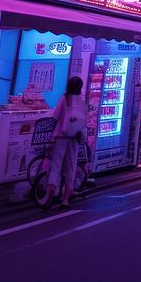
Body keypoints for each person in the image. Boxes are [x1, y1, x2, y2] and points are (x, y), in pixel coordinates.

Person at [46, 76, 87, 207]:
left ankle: (50, 192)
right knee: (71, 166)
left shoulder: (64, 99)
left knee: (56, 165)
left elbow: (56, 117)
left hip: (61, 136)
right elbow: (84, 120)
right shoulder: (82, 101)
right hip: (75, 137)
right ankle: (65, 199)